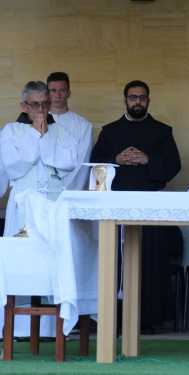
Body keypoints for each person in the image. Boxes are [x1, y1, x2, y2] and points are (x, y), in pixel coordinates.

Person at [90, 80, 181, 334]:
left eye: (142, 98)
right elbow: (94, 164)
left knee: (149, 260)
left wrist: (147, 159)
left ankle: (146, 318)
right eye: (133, 97)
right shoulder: (109, 132)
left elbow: (174, 166)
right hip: (114, 207)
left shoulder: (162, 131)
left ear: (148, 101)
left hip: (149, 205)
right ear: (125, 100)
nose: (137, 102)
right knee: (114, 260)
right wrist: (115, 160)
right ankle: (113, 316)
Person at [0, 81, 77, 339]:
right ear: (24, 105)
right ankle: (16, 326)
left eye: (45, 104)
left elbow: (68, 163)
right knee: (21, 264)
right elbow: (13, 165)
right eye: (36, 105)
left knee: (51, 262)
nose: (42, 111)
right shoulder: (11, 131)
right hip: (23, 204)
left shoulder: (62, 131)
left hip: (53, 205)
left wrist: (45, 137)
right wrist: (35, 134)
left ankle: (51, 327)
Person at [47, 72, 93, 190]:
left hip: (70, 191)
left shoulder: (83, 125)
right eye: (53, 90)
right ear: (47, 94)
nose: (57, 95)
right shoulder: (37, 122)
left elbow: (82, 162)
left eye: (62, 91)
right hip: (42, 190)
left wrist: (65, 189)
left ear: (69, 93)